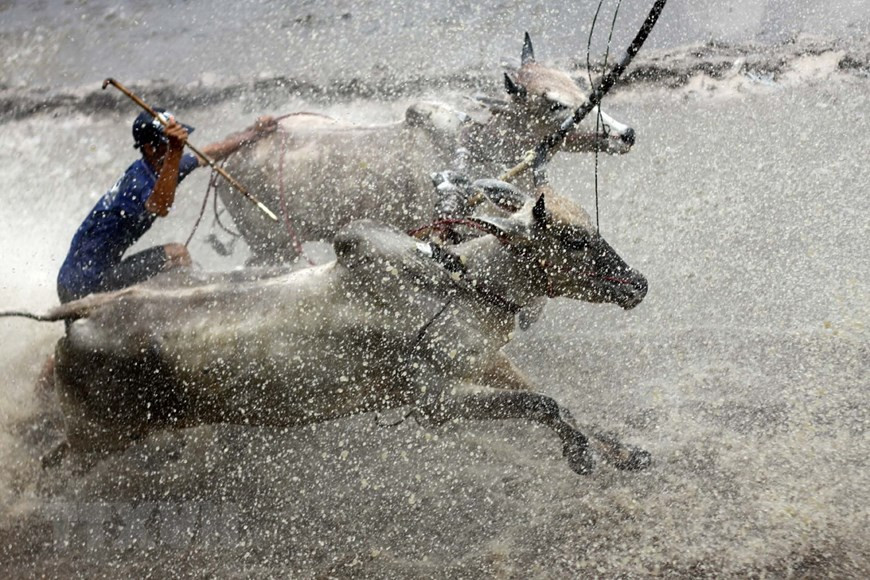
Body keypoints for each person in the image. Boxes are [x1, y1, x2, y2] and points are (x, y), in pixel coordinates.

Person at [56, 108, 277, 303]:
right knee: (176, 254)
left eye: (178, 143)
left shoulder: (162, 166)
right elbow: (160, 206)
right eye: (169, 144)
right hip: (84, 284)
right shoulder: (138, 181)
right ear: (150, 149)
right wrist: (174, 153)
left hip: (81, 277)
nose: (179, 148)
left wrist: (253, 133)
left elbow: (208, 153)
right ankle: (192, 313)